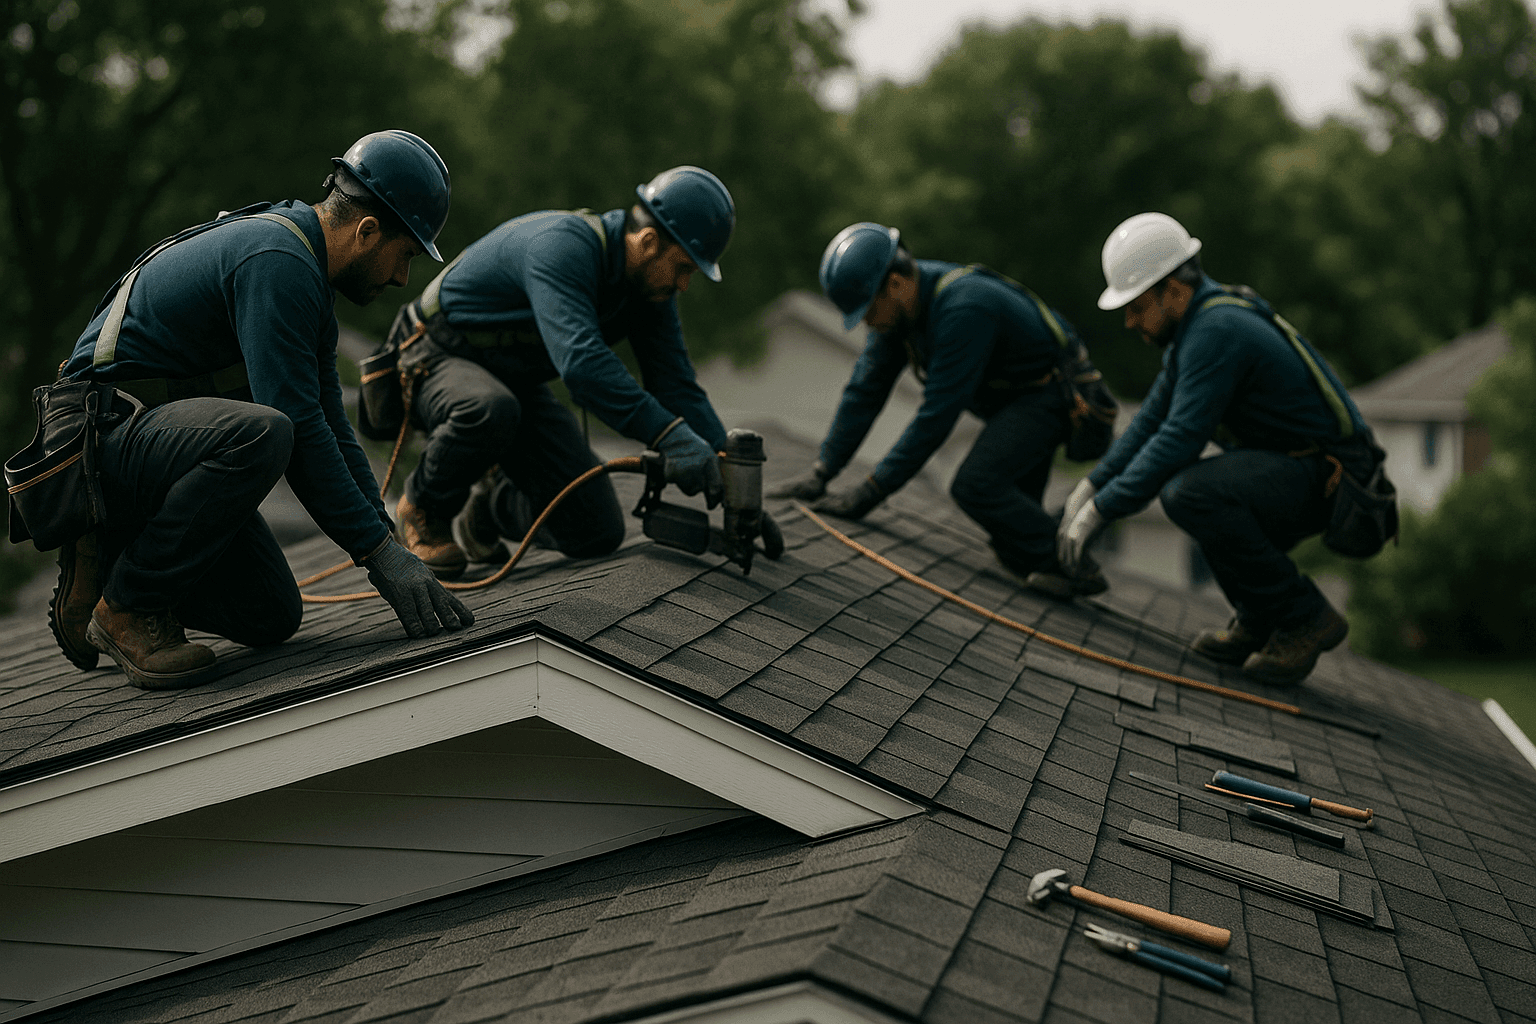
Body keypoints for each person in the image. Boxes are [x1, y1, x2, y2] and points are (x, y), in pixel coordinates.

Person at [49, 130, 473, 690]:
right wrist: (376, 556)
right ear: (368, 230)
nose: (402, 278)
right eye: (407, 255)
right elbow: (295, 424)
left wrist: (384, 539)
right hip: (95, 442)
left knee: (271, 615)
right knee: (265, 432)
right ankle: (129, 606)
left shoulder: (309, 279)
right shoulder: (279, 261)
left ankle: (113, 561)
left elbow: (330, 422)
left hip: (153, 453)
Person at [1057, 212, 1370, 684]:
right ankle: (1260, 618)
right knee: (1203, 488)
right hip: (1304, 470)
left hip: (1332, 480)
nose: (1130, 321)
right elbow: (1149, 422)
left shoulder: (1216, 331)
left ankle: (1304, 616)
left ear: (1174, 291)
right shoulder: (1198, 328)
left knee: (1193, 492)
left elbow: (1178, 438)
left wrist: (1099, 512)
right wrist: (1090, 487)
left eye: (1137, 305)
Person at [382, 167, 737, 578]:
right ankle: (423, 507)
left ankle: (490, 508)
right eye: (685, 268)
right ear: (650, 242)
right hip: (434, 354)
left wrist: (731, 476)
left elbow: (676, 382)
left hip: (510, 385)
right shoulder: (564, 246)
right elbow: (583, 365)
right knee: (490, 408)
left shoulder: (648, 288)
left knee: (596, 529)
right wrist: (669, 436)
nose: (685, 285)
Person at [769, 222, 1104, 593]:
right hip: (1010, 404)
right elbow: (866, 390)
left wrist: (871, 491)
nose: (865, 322)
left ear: (895, 284)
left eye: (867, 310)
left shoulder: (964, 308)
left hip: (1048, 399)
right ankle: (1055, 558)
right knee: (1015, 541)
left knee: (975, 486)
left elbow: (936, 416)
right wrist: (823, 470)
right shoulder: (899, 313)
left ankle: (1074, 564)